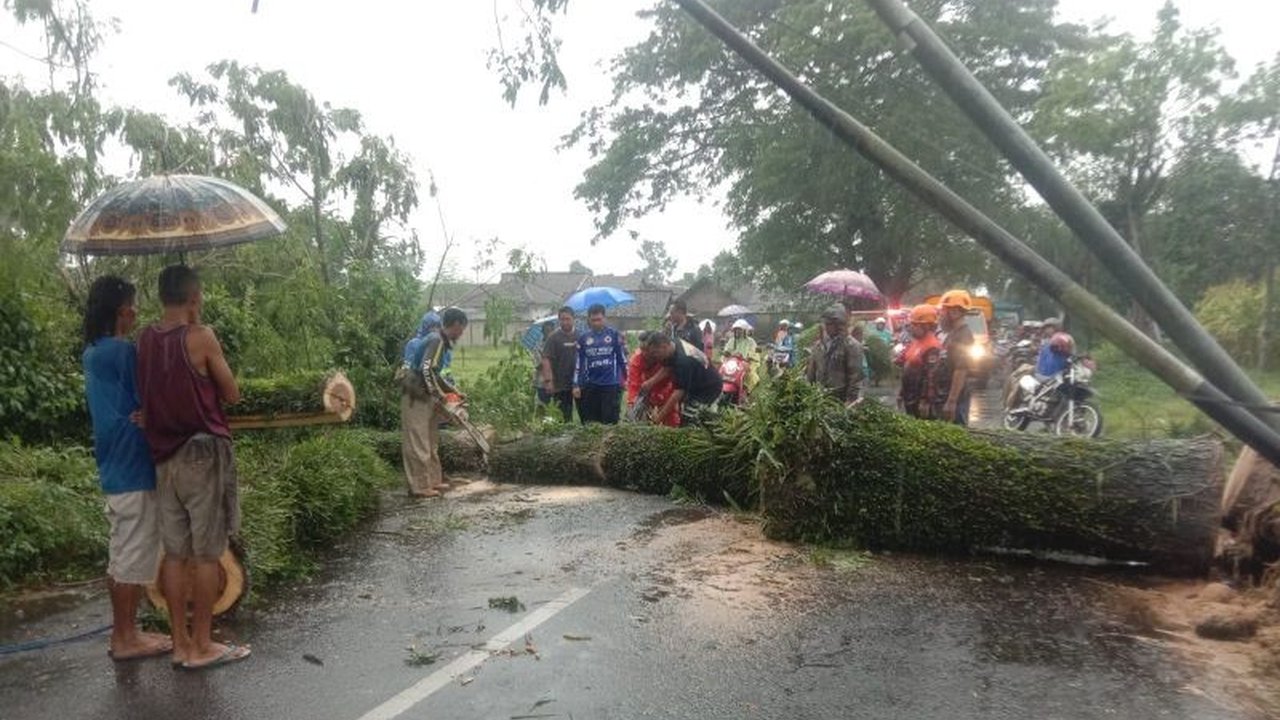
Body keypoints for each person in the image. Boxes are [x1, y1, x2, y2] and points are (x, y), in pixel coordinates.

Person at [136, 265, 249, 670]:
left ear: (161, 296)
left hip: (162, 457)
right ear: (194, 297)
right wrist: (199, 327)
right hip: (202, 453)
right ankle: (202, 645)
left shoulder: (145, 338)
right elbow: (232, 393)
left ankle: (180, 643)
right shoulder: (201, 338)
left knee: (175, 553)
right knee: (207, 554)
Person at [81, 276, 173, 662]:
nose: (137, 311)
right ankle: (124, 638)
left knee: (124, 550)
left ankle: (127, 631)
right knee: (129, 553)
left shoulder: (94, 350)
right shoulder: (120, 352)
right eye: (134, 305)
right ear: (124, 311)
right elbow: (155, 392)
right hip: (131, 462)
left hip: (116, 460)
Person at [402, 307, 469, 498]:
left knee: (431, 439)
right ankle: (420, 486)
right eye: (462, 329)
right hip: (415, 392)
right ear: (456, 325)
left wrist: (453, 391)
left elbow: (435, 373)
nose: (461, 334)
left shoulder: (440, 341)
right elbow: (425, 370)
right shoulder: (436, 340)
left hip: (425, 392)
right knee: (418, 440)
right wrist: (440, 395)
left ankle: (433, 480)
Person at [642, 333, 722, 425]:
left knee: (692, 420)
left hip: (709, 388)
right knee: (686, 415)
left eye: (655, 353)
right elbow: (668, 366)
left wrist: (659, 417)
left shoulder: (683, 361)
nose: (654, 357)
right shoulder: (674, 343)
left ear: (664, 346)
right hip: (696, 383)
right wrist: (650, 382)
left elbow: (678, 392)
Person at [573, 304, 627, 424]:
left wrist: (627, 378)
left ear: (604, 318)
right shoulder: (583, 338)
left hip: (611, 385)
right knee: (592, 422)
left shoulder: (614, 335)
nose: (596, 323)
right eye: (593, 320)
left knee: (610, 421)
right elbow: (579, 363)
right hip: (591, 385)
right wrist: (576, 384)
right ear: (589, 320)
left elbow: (622, 359)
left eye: (599, 319)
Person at [804, 305, 864, 404]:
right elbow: (811, 373)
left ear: (839, 325)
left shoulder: (852, 346)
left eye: (830, 324)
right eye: (826, 323)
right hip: (820, 398)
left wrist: (850, 402)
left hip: (840, 400)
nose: (826, 327)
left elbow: (855, 378)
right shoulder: (819, 346)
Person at [935, 290, 976, 425]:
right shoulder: (953, 333)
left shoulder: (963, 336)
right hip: (947, 393)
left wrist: (951, 402)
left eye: (943, 311)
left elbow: (961, 370)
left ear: (955, 312)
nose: (940, 315)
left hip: (957, 397)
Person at [897, 304, 943, 419]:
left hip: (920, 398)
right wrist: (901, 393)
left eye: (915, 324)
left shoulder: (932, 346)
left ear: (926, 326)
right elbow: (907, 368)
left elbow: (931, 376)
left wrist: (926, 401)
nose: (911, 327)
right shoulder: (916, 342)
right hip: (910, 395)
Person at [626, 331, 680, 426]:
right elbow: (633, 384)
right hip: (648, 390)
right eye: (642, 349)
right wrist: (632, 403)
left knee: (671, 418)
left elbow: (674, 381)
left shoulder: (665, 356)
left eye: (647, 349)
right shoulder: (637, 360)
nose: (645, 353)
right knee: (640, 417)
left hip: (667, 389)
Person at [540, 306, 579, 423]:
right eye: (562, 319)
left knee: (585, 413)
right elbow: (546, 360)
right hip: (561, 384)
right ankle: (566, 438)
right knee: (564, 416)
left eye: (568, 319)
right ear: (559, 320)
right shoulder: (553, 338)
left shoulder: (580, 336)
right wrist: (548, 381)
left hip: (579, 383)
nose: (565, 322)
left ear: (573, 319)